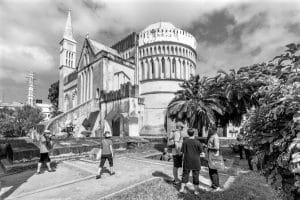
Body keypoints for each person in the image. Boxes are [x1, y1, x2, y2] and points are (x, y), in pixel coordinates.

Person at [179, 128, 203, 195]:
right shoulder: (198, 142)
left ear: (187, 133)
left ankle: (181, 189)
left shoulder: (185, 142)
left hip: (187, 161)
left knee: (185, 175)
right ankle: (196, 191)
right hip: (196, 161)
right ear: (194, 133)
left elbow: (182, 152)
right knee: (196, 176)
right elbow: (201, 153)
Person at [207, 127, 221, 191]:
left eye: (210, 129)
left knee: (213, 171)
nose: (209, 130)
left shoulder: (215, 137)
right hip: (211, 156)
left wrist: (208, 147)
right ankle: (213, 185)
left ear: (214, 130)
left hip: (214, 156)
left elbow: (217, 148)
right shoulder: (212, 136)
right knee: (211, 171)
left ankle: (216, 186)